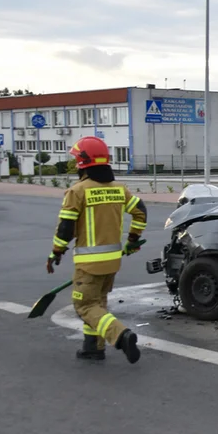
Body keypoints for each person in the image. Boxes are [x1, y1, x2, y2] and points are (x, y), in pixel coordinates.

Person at [48, 136, 147, 362]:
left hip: (89, 264)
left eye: (76, 160)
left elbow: (65, 228)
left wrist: (56, 252)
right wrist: (133, 239)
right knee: (97, 304)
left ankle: (121, 335)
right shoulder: (119, 189)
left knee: (84, 305)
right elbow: (141, 210)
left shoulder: (78, 191)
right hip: (112, 262)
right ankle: (93, 348)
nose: (75, 165)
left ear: (83, 162)